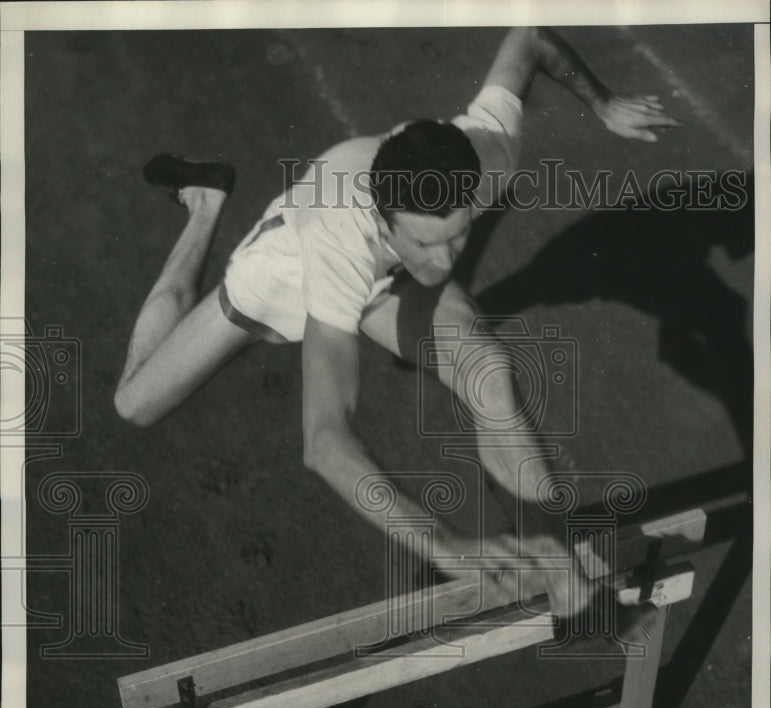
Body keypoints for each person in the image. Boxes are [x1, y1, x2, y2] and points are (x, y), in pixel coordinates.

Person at [114, 27, 679, 622]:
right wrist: (445, 546)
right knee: (136, 402)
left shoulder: (485, 149)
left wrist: (604, 102)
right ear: (384, 224)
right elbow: (326, 439)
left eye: (459, 234)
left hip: (385, 269)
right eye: (427, 244)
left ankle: (560, 566)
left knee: (484, 365)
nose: (446, 261)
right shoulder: (339, 241)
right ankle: (204, 203)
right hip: (287, 271)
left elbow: (529, 39)